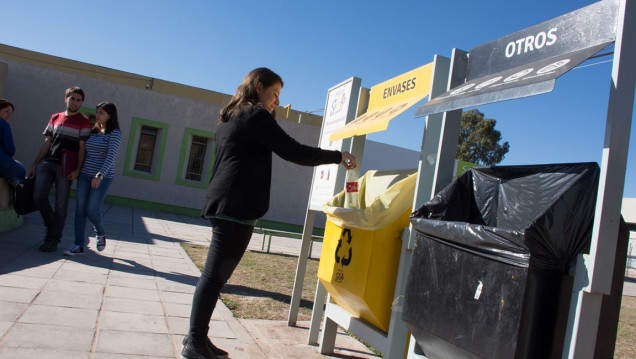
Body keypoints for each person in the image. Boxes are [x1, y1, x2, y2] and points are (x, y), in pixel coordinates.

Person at [181, 68, 357, 359]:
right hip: (235, 206)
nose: (276, 100)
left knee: (215, 276)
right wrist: (337, 156)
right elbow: (294, 151)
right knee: (214, 276)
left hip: (224, 203)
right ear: (259, 87)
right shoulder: (255, 115)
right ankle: (195, 342)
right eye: (274, 93)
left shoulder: (230, 116)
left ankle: (198, 338)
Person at [29, 86, 91, 252]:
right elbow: (46, 143)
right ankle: (52, 227)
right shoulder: (55, 117)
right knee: (38, 197)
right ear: (66, 99)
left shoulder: (84, 122)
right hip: (47, 164)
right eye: (72, 99)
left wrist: (77, 170)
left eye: (79, 100)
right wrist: (35, 164)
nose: (75, 103)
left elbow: (82, 149)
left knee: (61, 206)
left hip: (66, 169)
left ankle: (52, 240)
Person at [64, 102, 121, 256]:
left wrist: (100, 174)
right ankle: (78, 245)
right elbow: (85, 152)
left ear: (110, 115)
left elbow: (111, 157)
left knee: (92, 209)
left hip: (102, 177)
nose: (98, 115)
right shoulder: (93, 131)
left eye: (101, 112)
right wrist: (78, 170)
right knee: (80, 210)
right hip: (85, 175)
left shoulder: (115, 133)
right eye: (97, 112)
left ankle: (100, 232)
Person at [0, 99, 26, 187]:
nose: (8, 115)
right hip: (2, 162)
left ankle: (13, 180)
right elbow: (9, 148)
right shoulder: (3, 124)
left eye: (10, 114)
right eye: (6, 111)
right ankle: (16, 197)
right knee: (21, 170)